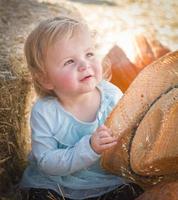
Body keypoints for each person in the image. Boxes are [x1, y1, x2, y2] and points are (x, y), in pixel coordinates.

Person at [20, 15, 143, 200]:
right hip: (58, 182)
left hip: (107, 178)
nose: (85, 65)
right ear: (45, 78)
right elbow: (46, 161)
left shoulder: (111, 96)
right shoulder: (45, 112)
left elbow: (129, 135)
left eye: (89, 54)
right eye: (69, 61)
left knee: (134, 191)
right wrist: (89, 148)